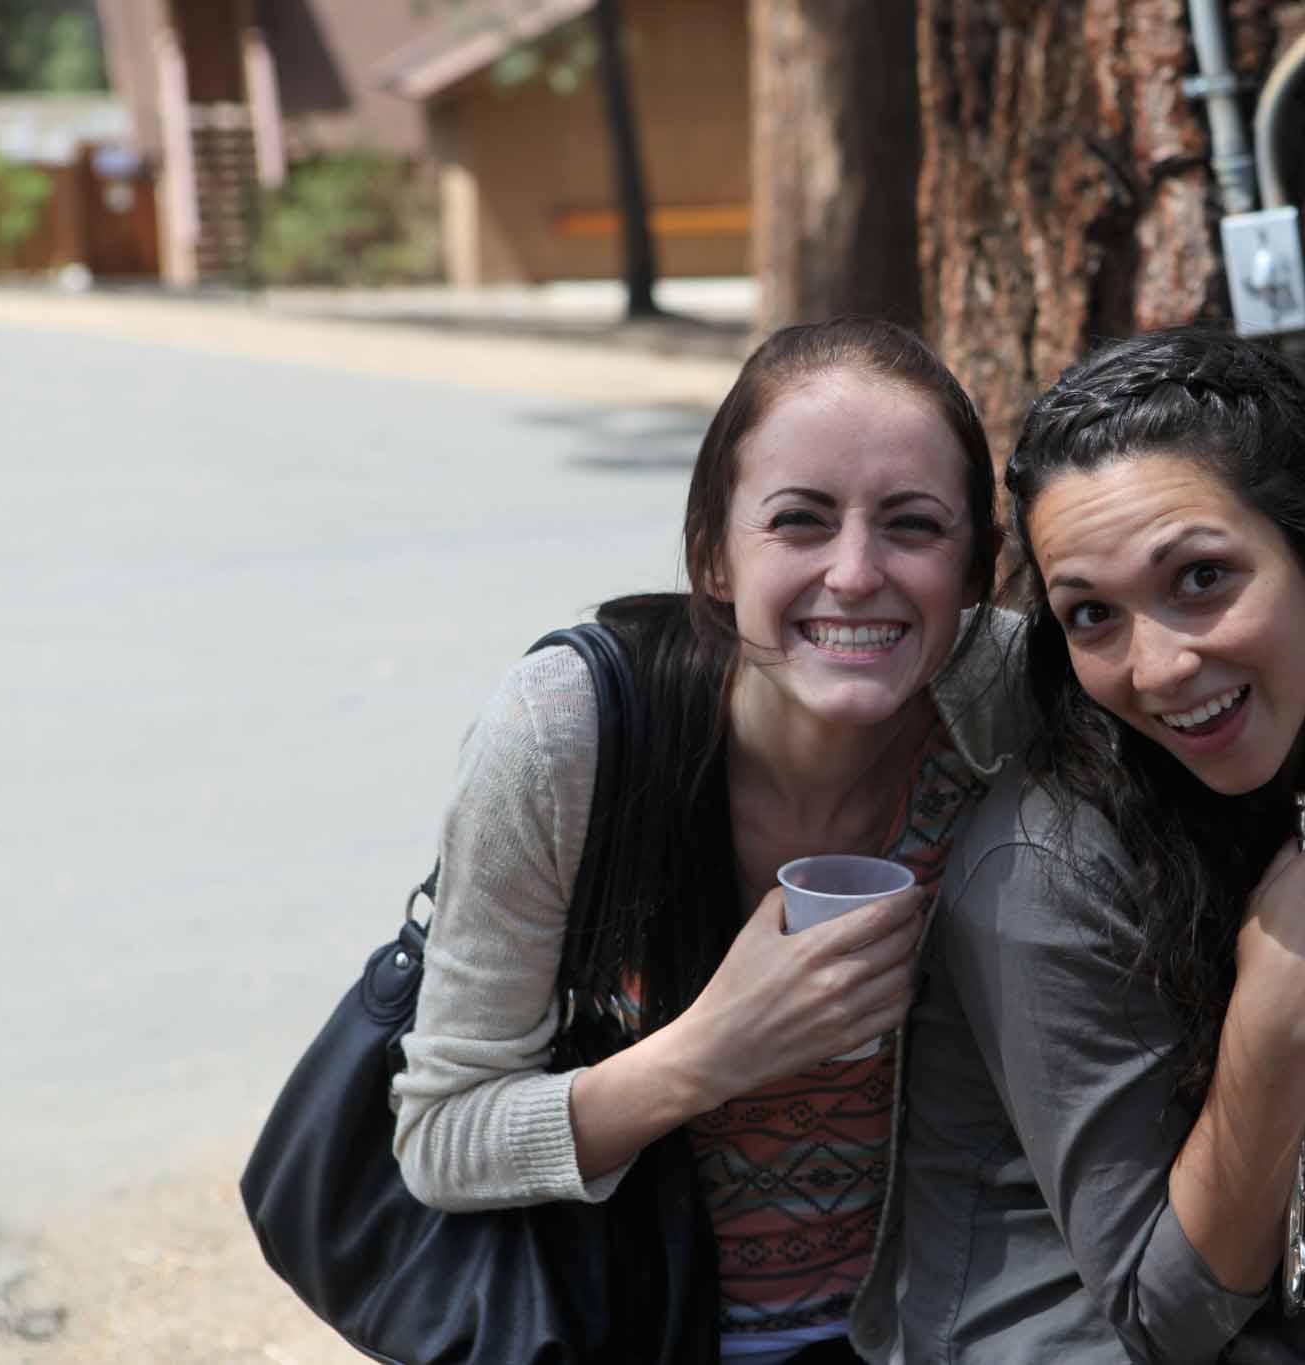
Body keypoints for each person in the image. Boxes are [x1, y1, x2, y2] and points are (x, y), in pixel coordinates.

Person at [881, 327, 1305, 1364]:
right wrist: (1272, 1018)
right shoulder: (1040, 865)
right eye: (1091, 615)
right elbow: (1166, 1316)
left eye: (1200, 578)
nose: (1156, 668)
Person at [390, 317, 1026, 1365]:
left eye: (913, 526)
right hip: (650, 1326)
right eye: (799, 521)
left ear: (972, 572)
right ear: (712, 557)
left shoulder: (1013, 705)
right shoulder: (570, 735)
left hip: (941, 1329)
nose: (855, 572)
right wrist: (711, 1052)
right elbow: (441, 1137)